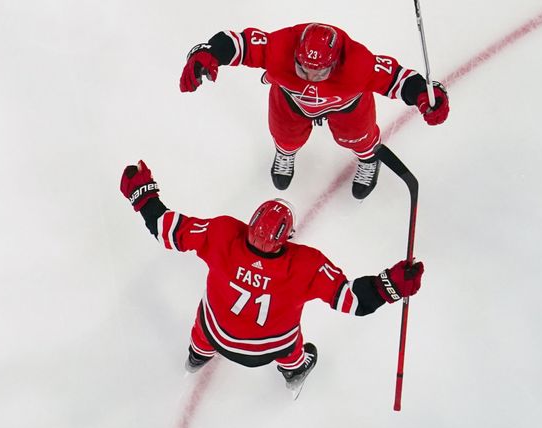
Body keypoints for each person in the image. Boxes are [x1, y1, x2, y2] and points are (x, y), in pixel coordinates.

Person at [120, 160, 425, 392]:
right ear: (288, 237)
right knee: (290, 343)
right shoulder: (306, 264)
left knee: (206, 321)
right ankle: (294, 370)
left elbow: (167, 230)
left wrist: (143, 197)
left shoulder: (222, 233)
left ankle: (197, 355)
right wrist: (392, 285)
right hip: (268, 350)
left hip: (215, 332)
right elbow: (353, 301)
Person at [179, 22, 449, 199]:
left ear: (336, 62)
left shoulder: (359, 63)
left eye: (319, 71)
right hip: (291, 102)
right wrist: (208, 54)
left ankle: (368, 159)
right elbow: (239, 43)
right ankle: (285, 154)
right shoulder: (279, 46)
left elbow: (398, 79)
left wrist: (425, 95)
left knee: (359, 137)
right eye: (302, 68)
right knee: (285, 134)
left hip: (347, 106)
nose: (309, 76)